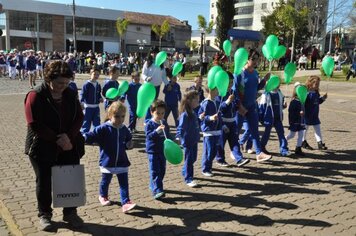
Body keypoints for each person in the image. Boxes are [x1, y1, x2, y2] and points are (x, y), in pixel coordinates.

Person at [24, 60, 85, 231]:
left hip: (68, 144)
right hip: (42, 145)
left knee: (70, 178)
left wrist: (69, 137)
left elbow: (79, 117)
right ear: (48, 78)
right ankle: (45, 215)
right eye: (59, 83)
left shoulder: (70, 92)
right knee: (44, 182)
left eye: (66, 83)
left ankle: (70, 212)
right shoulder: (35, 95)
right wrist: (57, 139)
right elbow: (34, 123)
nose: (62, 86)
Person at [83, 102, 136, 213]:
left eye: (122, 116)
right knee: (105, 181)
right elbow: (91, 135)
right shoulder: (104, 128)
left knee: (124, 184)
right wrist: (82, 137)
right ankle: (103, 196)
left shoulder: (124, 128)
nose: (120, 119)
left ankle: (126, 202)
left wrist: (129, 145)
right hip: (107, 161)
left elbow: (128, 140)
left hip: (122, 161)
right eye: (117, 116)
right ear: (110, 115)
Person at [232, 49, 272, 163]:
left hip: (252, 106)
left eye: (257, 59)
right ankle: (234, 151)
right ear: (246, 59)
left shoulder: (255, 73)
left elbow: (256, 88)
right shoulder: (239, 73)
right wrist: (239, 106)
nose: (255, 62)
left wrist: (264, 80)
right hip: (241, 107)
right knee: (236, 130)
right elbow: (234, 91)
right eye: (253, 59)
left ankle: (259, 153)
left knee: (254, 130)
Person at [216, 72, 250, 167]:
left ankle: (239, 159)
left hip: (232, 121)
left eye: (231, 82)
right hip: (223, 122)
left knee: (235, 141)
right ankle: (220, 159)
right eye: (228, 82)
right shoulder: (219, 94)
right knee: (221, 142)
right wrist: (227, 102)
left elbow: (234, 106)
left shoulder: (233, 92)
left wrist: (237, 105)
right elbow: (219, 109)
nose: (230, 85)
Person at [145, 100, 172, 200]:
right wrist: (157, 131)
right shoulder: (149, 124)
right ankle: (158, 190)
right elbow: (149, 136)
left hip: (162, 151)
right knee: (155, 171)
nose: (160, 115)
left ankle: (154, 184)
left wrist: (172, 141)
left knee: (162, 170)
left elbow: (167, 135)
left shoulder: (164, 122)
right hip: (153, 151)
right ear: (152, 112)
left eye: (162, 113)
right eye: (157, 113)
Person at [176, 90, 200, 187]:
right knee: (189, 160)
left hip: (194, 140)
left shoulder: (193, 112)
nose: (198, 101)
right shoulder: (185, 115)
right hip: (188, 141)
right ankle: (188, 178)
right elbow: (181, 128)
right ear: (189, 101)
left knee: (193, 158)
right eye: (196, 100)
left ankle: (185, 170)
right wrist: (178, 138)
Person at [259, 84, 289, 156]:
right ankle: (262, 147)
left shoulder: (279, 92)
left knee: (281, 133)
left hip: (278, 117)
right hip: (269, 117)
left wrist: (283, 105)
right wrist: (261, 117)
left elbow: (280, 104)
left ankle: (284, 149)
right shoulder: (266, 94)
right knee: (267, 133)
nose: (277, 85)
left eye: (278, 83)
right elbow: (262, 106)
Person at [198, 86, 222, 177]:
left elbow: (220, 116)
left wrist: (222, 125)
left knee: (214, 151)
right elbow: (201, 116)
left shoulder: (217, 101)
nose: (218, 90)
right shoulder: (206, 103)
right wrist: (210, 118)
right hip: (209, 131)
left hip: (217, 131)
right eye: (216, 89)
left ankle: (209, 165)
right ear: (211, 90)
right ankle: (205, 168)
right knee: (209, 151)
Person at [302, 76, 328, 150]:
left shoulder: (316, 93)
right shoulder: (306, 93)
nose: (317, 86)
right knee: (305, 129)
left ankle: (320, 143)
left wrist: (323, 98)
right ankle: (303, 141)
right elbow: (302, 103)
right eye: (316, 84)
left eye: (318, 84)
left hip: (315, 115)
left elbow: (318, 102)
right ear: (310, 83)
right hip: (307, 115)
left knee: (317, 129)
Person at [285, 82, 306, 156]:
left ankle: (298, 148)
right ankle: (283, 142)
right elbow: (291, 111)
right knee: (291, 135)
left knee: (301, 134)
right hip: (295, 121)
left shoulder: (302, 101)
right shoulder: (294, 101)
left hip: (301, 121)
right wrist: (298, 113)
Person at [80, 68, 103, 133]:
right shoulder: (86, 84)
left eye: (98, 74)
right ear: (90, 74)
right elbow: (82, 94)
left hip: (96, 107)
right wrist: (81, 103)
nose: (96, 76)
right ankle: (84, 136)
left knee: (97, 122)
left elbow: (98, 94)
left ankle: (97, 135)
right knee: (86, 122)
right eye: (94, 74)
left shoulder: (98, 85)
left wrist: (100, 98)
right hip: (88, 107)